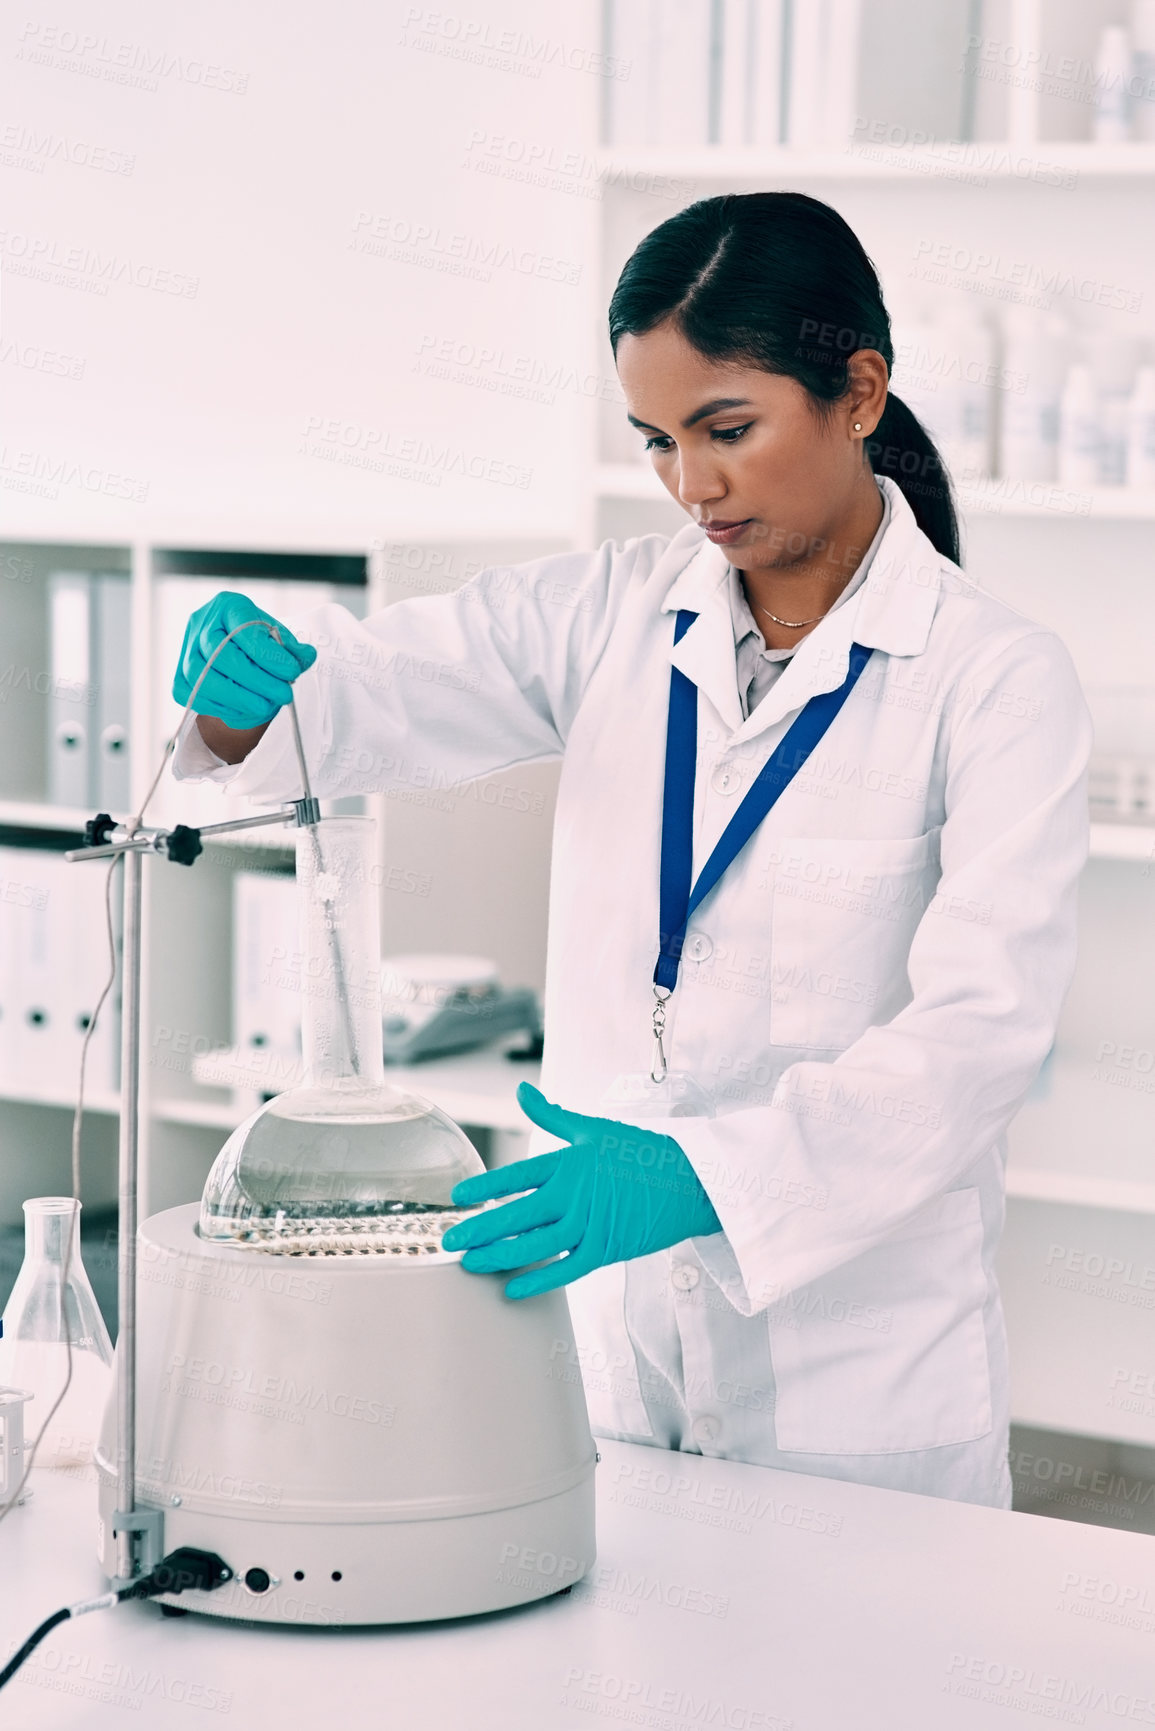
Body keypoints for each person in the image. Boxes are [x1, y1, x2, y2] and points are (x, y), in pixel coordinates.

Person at [172, 192, 1091, 1508]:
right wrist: (240, 695)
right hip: (615, 1364)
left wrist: (711, 1178)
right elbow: (354, 702)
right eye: (657, 440)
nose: (690, 485)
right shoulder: (603, 616)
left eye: (729, 430)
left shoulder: (997, 681)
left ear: (860, 391)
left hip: (860, 1392)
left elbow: (976, 1044)